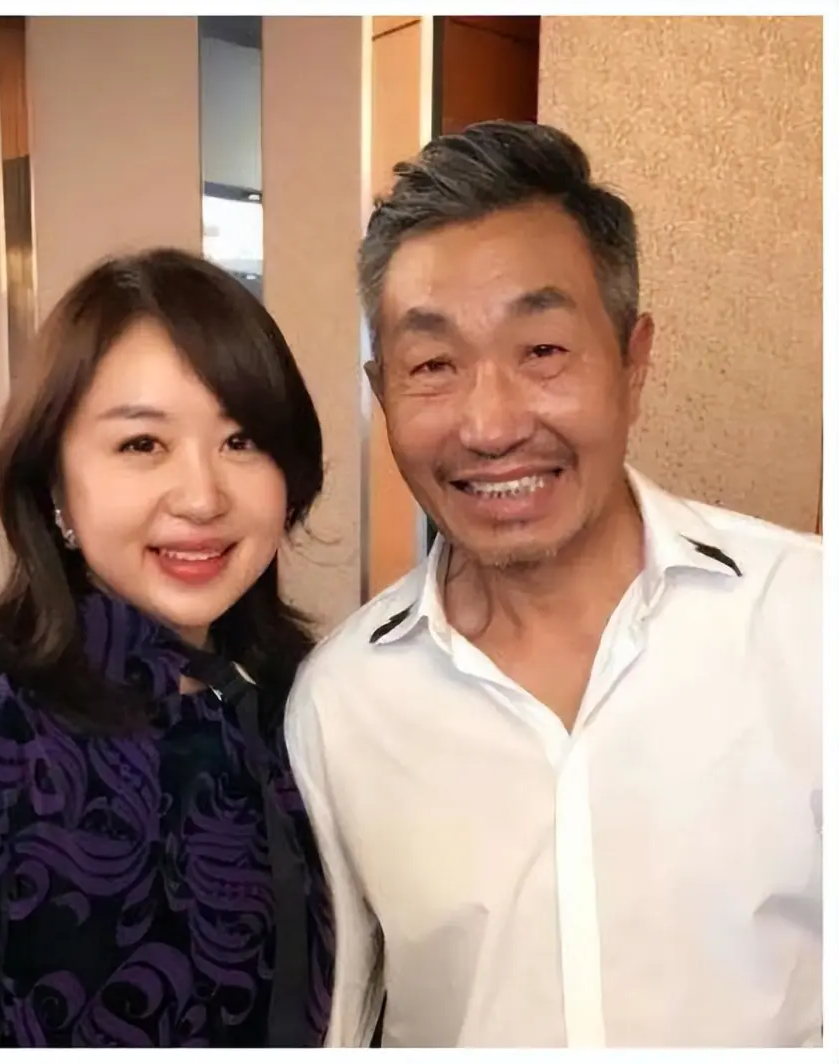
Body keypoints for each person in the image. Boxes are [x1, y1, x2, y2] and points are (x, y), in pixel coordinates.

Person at [285, 121, 822, 1048]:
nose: (490, 426)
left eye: (541, 351)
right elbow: (345, 1020)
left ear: (633, 360)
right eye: (432, 366)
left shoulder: (809, 619)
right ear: (382, 389)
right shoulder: (341, 704)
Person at [0, 249, 334, 1047]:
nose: (202, 496)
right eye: (142, 445)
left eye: (241, 440)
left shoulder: (309, 702)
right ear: (55, 485)